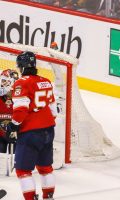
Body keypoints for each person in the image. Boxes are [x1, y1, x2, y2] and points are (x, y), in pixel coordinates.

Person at [5, 51, 57, 200]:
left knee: (22, 170)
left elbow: (21, 109)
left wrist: (13, 126)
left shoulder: (21, 82)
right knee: (45, 167)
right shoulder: (46, 81)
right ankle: (48, 196)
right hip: (48, 129)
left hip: (31, 133)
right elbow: (53, 109)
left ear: (21, 67)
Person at [0, 69, 19, 154]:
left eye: (5, 81)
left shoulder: (20, 100)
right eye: (2, 80)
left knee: (15, 164)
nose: (2, 84)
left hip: (15, 136)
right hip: (0, 137)